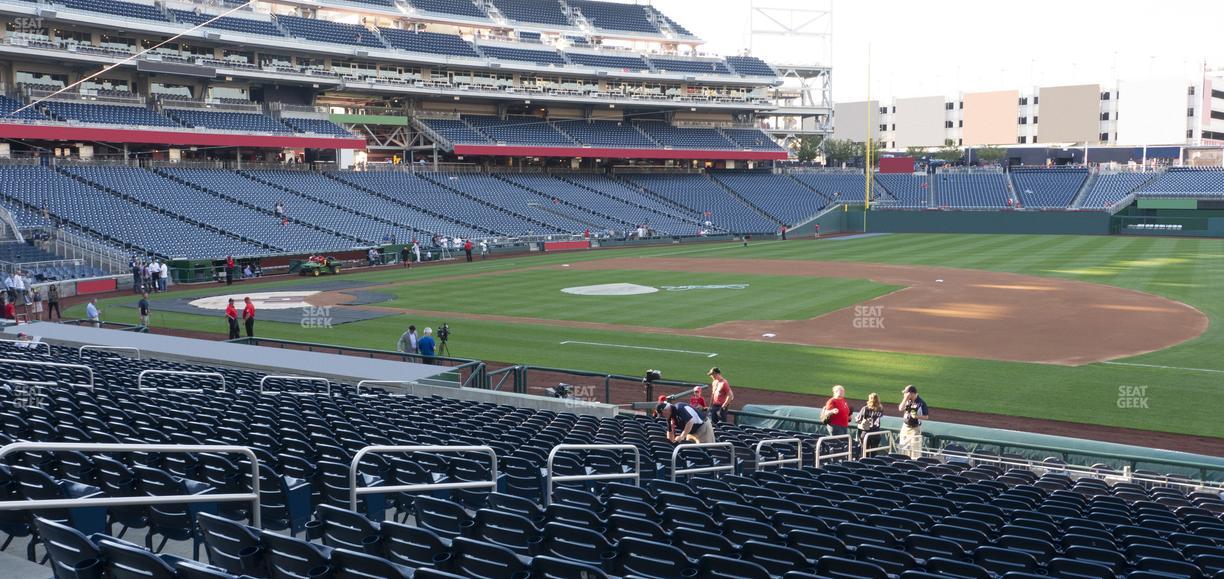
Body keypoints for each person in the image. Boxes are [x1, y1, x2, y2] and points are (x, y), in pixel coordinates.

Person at [898, 385, 930, 459]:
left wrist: (916, 416)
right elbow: (900, 408)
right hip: (905, 427)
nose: (904, 394)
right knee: (903, 448)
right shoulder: (907, 400)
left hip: (914, 429)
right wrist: (905, 398)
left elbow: (926, 416)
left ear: (911, 393)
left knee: (914, 450)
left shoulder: (921, 403)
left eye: (906, 393)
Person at [855, 393, 885, 457]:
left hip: (866, 433)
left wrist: (862, 422)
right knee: (874, 453)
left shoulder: (865, 408)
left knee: (865, 453)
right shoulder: (881, 409)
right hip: (876, 433)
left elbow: (857, 419)